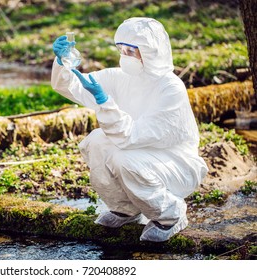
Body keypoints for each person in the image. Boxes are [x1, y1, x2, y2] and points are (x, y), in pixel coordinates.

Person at [51, 17, 208, 242]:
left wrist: (104, 102)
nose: (124, 56)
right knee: (96, 141)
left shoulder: (170, 88)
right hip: (138, 153)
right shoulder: (120, 76)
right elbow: (74, 86)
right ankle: (125, 209)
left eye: (130, 51)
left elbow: (131, 135)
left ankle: (171, 215)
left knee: (123, 158)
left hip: (176, 164)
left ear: (150, 52)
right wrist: (61, 62)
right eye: (121, 50)